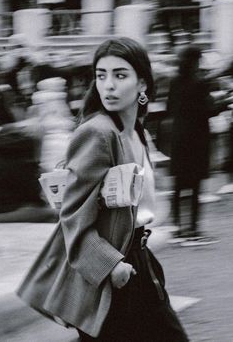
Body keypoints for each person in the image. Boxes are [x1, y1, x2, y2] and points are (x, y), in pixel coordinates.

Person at [17, 37, 189, 342]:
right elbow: (73, 216)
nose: (108, 85)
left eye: (120, 75)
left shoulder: (136, 131)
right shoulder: (97, 133)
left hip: (140, 260)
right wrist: (109, 265)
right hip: (115, 271)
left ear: (142, 85)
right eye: (101, 75)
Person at [167, 45, 229, 243]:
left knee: (179, 185)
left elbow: (170, 108)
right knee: (194, 187)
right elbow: (208, 109)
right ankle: (192, 229)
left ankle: (177, 228)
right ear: (195, 61)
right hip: (197, 140)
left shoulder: (175, 81)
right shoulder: (200, 83)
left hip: (178, 139)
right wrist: (226, 101)